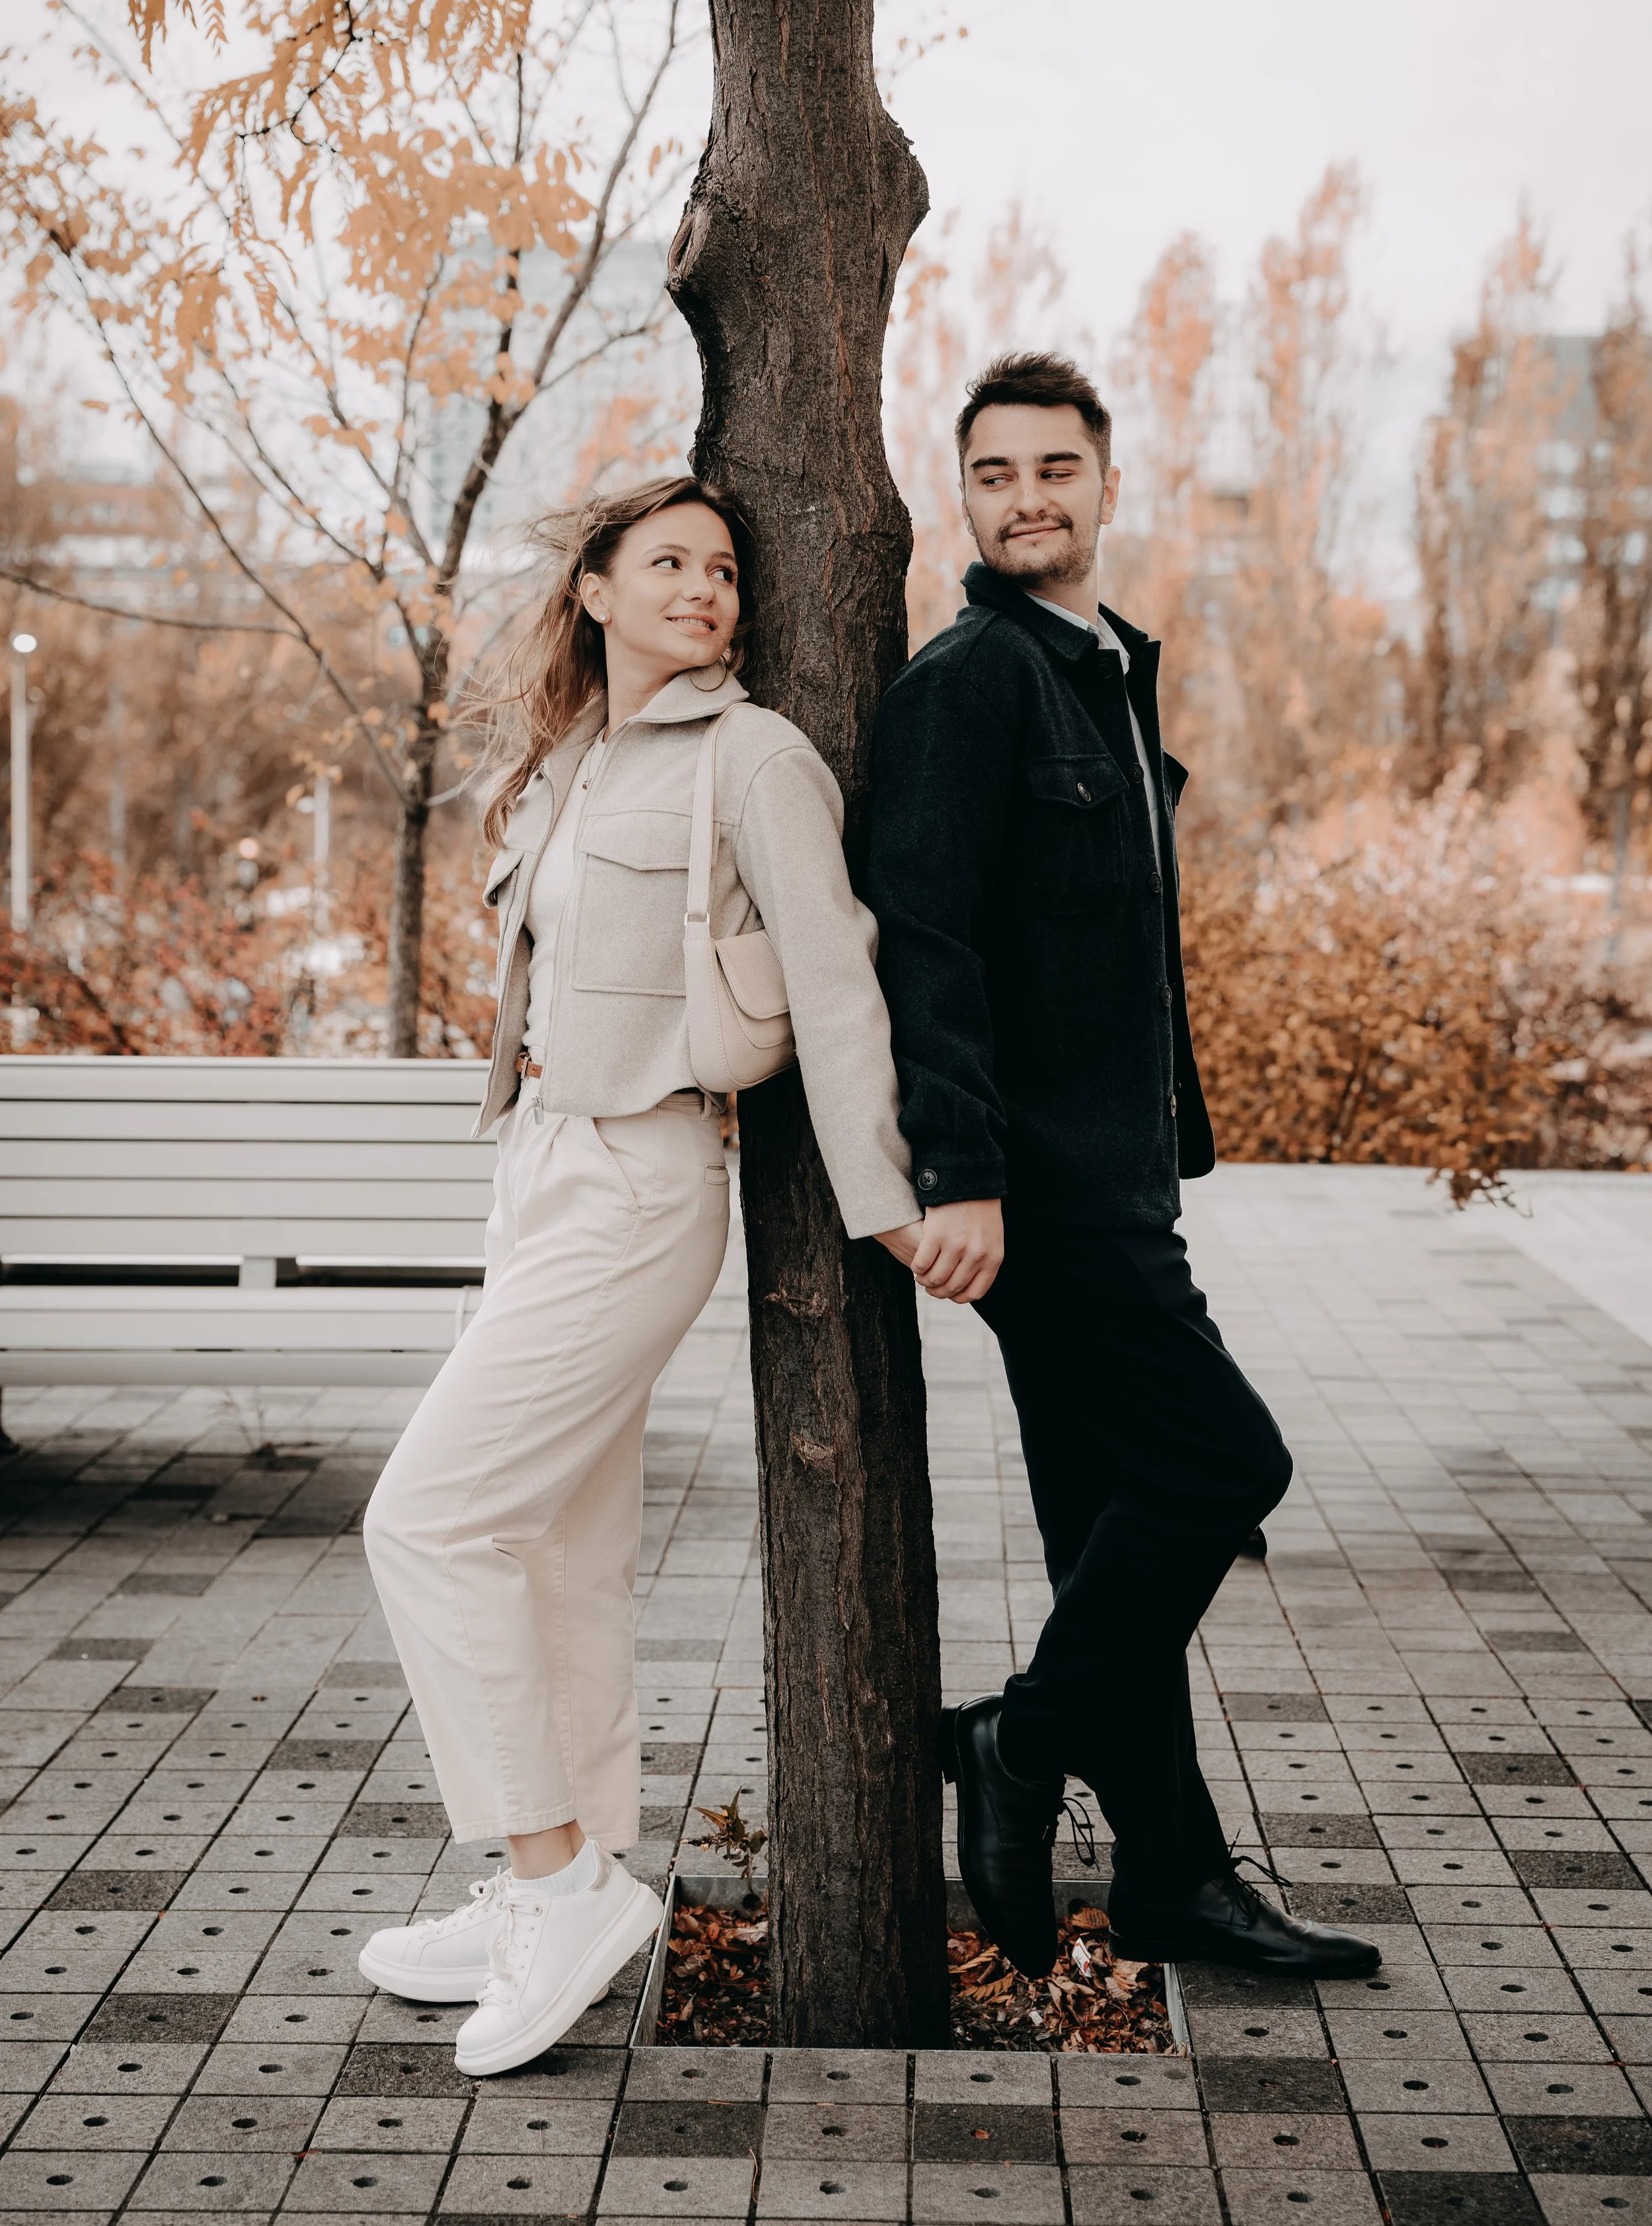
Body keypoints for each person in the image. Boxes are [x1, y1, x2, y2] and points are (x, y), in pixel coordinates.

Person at [358, 475, 922, 2074]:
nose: (704, 589)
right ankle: (554, 1878)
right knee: (554, 1549)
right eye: (666, 562)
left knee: (428, 1519)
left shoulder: (752, 757)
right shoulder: (569, 760)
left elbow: (835, 978)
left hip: (644, 1177)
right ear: (594, 591)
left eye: (724, 570)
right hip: (540, 1166)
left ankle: (557, 1883)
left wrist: (887, 1199)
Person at [863, 352, 1379, 1981]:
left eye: (1052, 469)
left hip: (1117, 1176)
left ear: (1103, 483)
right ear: (963, 499)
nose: (1024, 498)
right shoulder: (967, 683)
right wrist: (958, 1172)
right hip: (1044, 1195)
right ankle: (1013, 1747)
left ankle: (1169, 1878)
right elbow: (922, 941)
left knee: (1107, 1538)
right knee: (1224, 1467)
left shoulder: (1100, 670)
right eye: (992, 474)